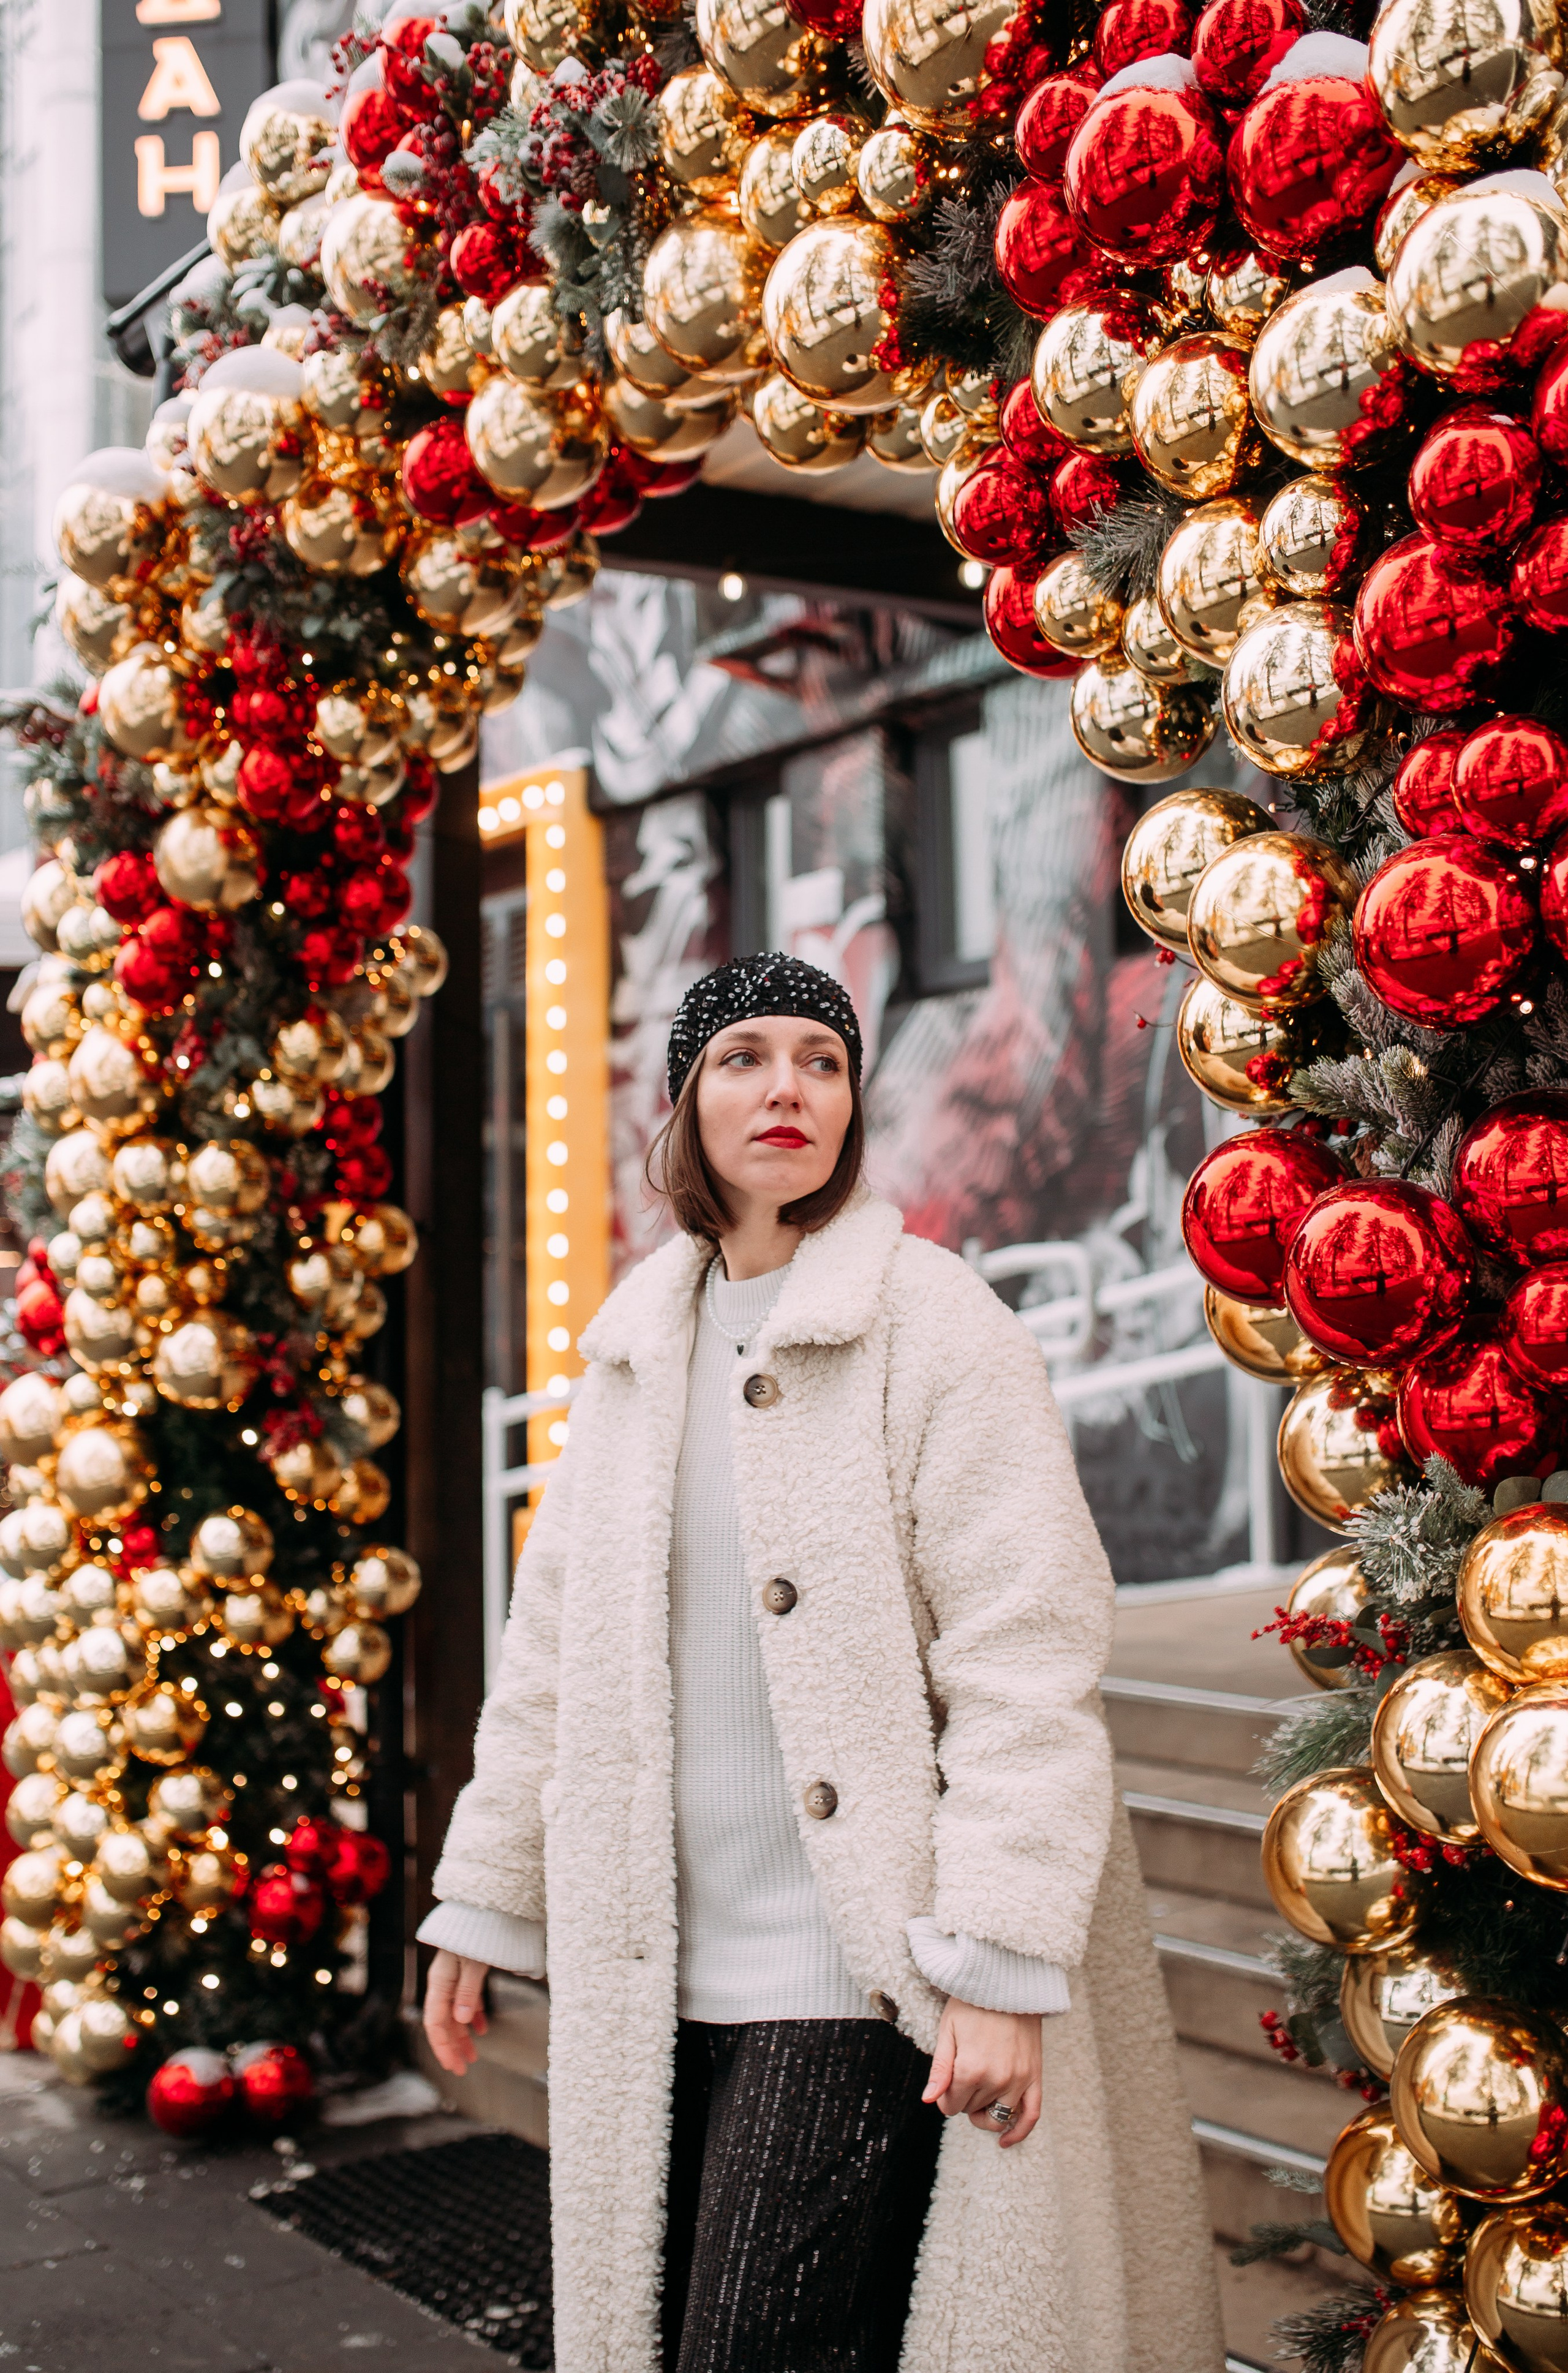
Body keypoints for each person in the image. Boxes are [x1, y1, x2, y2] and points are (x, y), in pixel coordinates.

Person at [420, 952, 1221, 2373]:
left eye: (821, 1059)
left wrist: (998, 1954)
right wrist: (484, 1896)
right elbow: (554, 1653)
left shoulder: (936, 1322)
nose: (785, 1085)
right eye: (742, 1056)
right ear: (680, 1100)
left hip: (853, 1973)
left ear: (851, 1102)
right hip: (651, 1976)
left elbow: (1025, 1652)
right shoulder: (628, 1354)